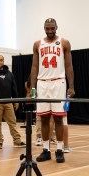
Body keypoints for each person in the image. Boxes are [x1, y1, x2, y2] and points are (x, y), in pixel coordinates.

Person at [30, 18, 74, 163]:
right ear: (44, 28)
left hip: (58, 82)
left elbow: (69, 66)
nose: (50, 31)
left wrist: (71, 86)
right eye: (47, 28)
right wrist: (33, 87)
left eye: (52, 28)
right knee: (43, 118)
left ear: (56, 27)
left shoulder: (64, 42)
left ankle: (60, 150)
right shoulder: (37, 44)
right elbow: (35, 67)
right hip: (42, 83)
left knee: (58, 118)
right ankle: (46, 150)